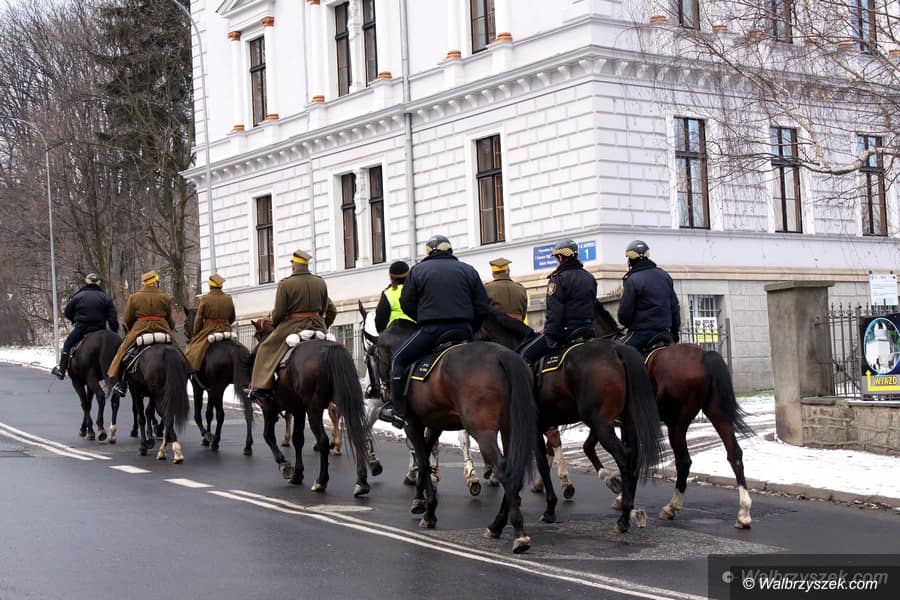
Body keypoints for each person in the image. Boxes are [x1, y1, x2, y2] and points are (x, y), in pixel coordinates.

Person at [379, 235, 490, 429]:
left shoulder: (418, 270)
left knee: (398, 360)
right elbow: (482, 305)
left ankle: (398, 411)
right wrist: (471, 327)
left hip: (432, 330)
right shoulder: (468, 270)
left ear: (429, 252)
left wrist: (421, 318)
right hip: (464, 329)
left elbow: (407, 303)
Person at [245, 250, 330, 404]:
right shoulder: (320, 282)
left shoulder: (286, 284)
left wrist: (276, 324)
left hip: (293, 326)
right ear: (306, 265)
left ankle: (261, 388)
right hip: (317, 325)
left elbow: (279, 312)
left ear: (294, 265)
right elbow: (324, 308)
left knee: (265, 348)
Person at [520, 240, 597, 365]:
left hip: (565, 331)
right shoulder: (589, 277)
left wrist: (549, 333)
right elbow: (593, 304)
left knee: (525, 355)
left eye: (556, 258)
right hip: (588, 329)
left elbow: (555, 311)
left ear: (561, 258)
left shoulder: (558, 279)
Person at [107, 270, 176, 396]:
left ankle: (118, 381)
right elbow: (170, 319)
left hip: (140, 328)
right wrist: (169, 327)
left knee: (122, 351)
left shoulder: (134, 297)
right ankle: (188, 371)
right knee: (178, 350)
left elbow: (128, 318)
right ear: (155, 283)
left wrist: (132, 329)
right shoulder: (165, 297)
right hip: (162, 327)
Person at [51, 273, 119, 380]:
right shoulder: (106, 298)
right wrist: (114, 331)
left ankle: (62, 370)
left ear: (87, 282)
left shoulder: (77, 296)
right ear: (98, 283)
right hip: (100, 328)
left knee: (68, 344)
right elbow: (112, 318)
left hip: (82, 327)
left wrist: (74, 320)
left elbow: (68, 312)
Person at [617, 239, 681, 351]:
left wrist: (627, 323)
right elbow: (674, 307)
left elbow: (624, 314)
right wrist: (675, 333)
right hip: (665, 332)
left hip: (642, 334)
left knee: (616, 352)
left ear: (630, 260)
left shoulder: (632, 280)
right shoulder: (664, 276)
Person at [184, 273, 236, 384]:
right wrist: (225, 323)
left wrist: (196, 333)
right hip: (226, 329)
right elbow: (232, 317)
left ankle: (192, 372)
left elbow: (198, 319)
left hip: (209, 329)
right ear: (221, 286)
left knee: (192, 351)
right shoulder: (228, 299)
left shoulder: (205, 299)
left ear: (210, 286)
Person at [374, 261, 416, 334]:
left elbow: (380, 318)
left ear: (391, 277)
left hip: (393, 332)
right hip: (416, 330)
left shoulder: (388, 293)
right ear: (409, 275)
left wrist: (381, 332)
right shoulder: (416, 289)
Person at [484, 257, 528, 322]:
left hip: (496, 326)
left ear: (493, 274)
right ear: (508, 271)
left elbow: (483, 312)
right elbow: (524, 314)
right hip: (517, 326)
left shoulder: (487, 289)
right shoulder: (521, 289)